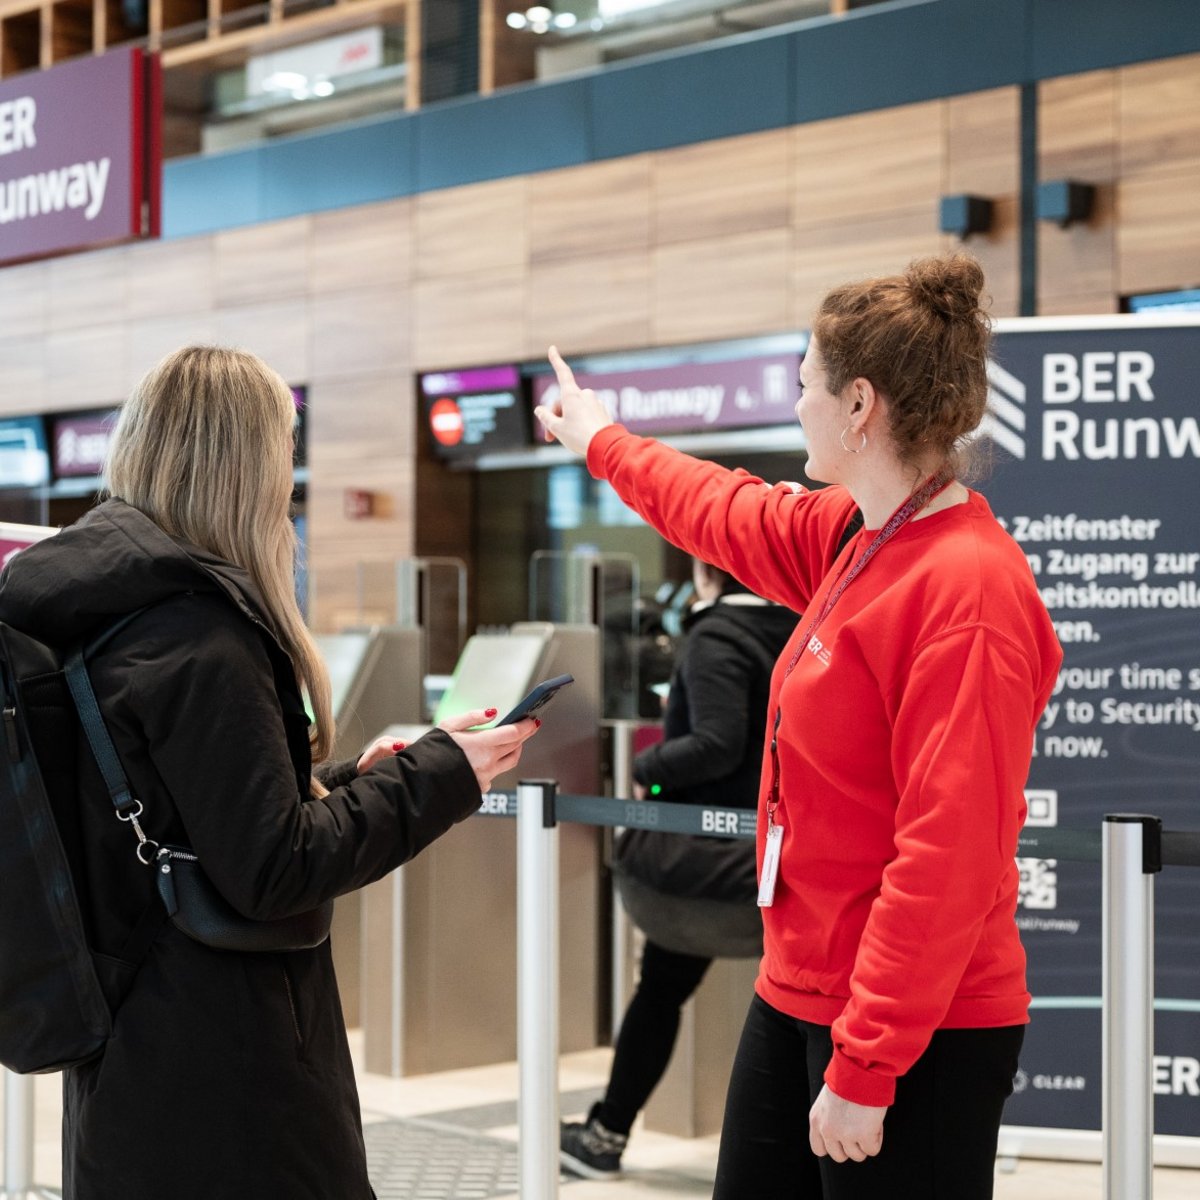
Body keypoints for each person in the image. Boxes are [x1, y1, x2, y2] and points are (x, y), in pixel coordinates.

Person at [536, 254, 1062, 1199]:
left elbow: (947, 854)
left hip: (916, 1031)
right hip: (800, 989)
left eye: (804, 385)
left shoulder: (968, 591)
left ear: (859, 404)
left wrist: (867, 1067)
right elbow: (721, 510)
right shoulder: (855, 538)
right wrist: (601, 440)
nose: (796, 404)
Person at [0, 346, 539, 1200]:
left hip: (131, 1046)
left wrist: (357, 774)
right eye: (283, 452)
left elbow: (189, 805)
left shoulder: (93, 615)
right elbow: (275, 867)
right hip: (229, 1067)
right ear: (244, 466)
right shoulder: (200, 634)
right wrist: (443, 775)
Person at [560, 556, 797, 1179]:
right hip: (781, 855)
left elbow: (716, 743)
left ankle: (606, 1136)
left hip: (707, 862)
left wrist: (646, 770)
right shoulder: (802, 628)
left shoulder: (719, 636)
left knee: (661, 990)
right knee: (798, 1004)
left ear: (710, 571)